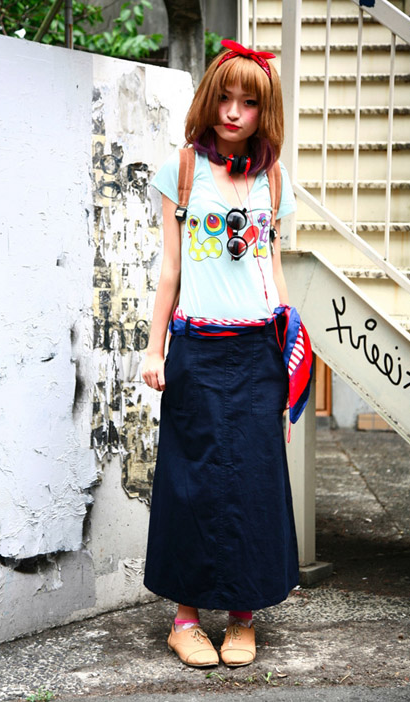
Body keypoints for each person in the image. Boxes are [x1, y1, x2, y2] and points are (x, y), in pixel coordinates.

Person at [142, 39, 304, 669]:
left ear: (266, 111)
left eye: (249, 102)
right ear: (209, 100)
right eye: (225, 98)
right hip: (197, 348)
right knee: (191, 480)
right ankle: (185, 619)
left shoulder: (273, 180)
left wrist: (290, 354)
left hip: (259, 348)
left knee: (255, 480)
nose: (234, 112)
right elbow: (170, 270)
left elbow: (274, 269)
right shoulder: (181, 171)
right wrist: (154, 349)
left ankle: (242, 617)